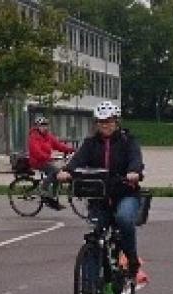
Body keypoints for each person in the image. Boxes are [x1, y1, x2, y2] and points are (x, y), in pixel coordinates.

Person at [58, 101, 144, 276]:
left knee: (124, 218)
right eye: (101, 121)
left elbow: (135, 159)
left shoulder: (128, 141)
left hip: (125, 193)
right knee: (94, 237)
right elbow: (77, 161)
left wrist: (134, 172)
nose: (105, 124)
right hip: (99, 197)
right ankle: (90, 293)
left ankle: (131, 258)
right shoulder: (90, 143)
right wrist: (66, 171)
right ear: (96, 123)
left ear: (116, 122)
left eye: (109, 120)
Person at [28, 115, 74, 210]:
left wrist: (71, 149)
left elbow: (58, 145)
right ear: (37, 127)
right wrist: (48, 157)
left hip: (46, 160)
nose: (44, 127)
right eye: (42, 125)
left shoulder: (48, 136)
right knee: (55, 170)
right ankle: (43, 188)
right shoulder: (34, 137)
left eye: (46, 125)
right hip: (37, 162)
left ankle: (53, 199)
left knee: (58, 175)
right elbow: (36, 151)